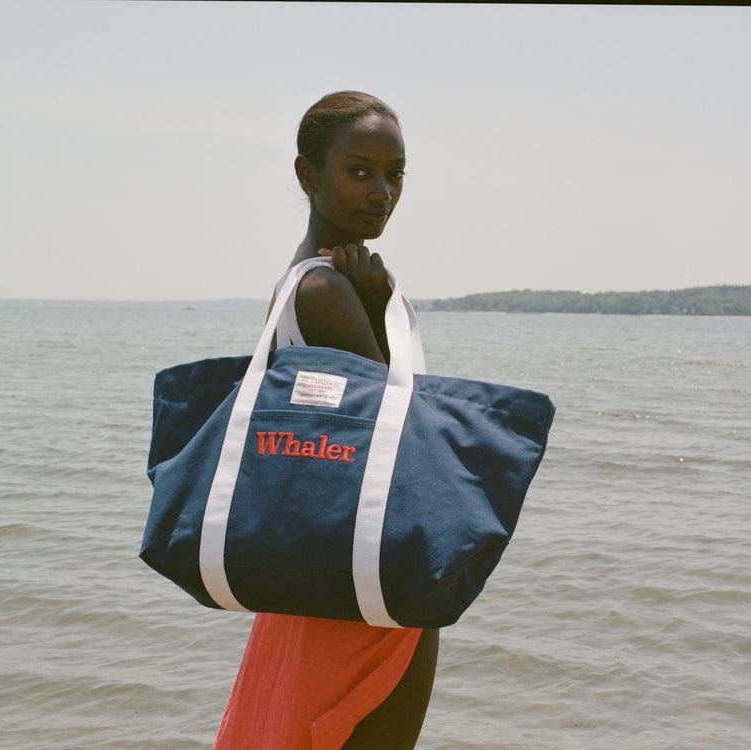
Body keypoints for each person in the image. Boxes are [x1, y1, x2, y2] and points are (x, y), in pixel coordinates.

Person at [213, 91, 439, 749]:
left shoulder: (298, 281)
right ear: (307, 175)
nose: (382, 192)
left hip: (321, 575)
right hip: (367, 589)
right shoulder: (328, 290)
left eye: (395, 173)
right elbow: (408, 445)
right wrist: (374, 311)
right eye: (359, 170)